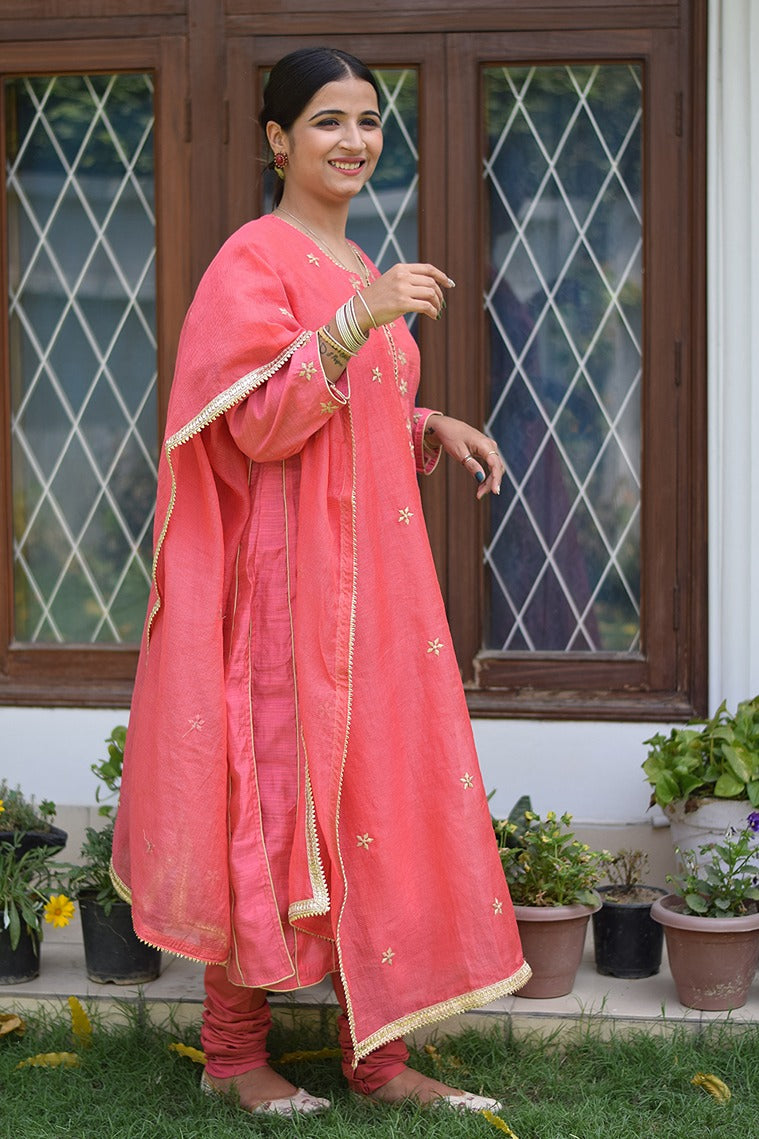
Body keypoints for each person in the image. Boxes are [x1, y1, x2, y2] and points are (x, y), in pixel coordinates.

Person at [111, 46, 529, 1118]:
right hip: (288, 597)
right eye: (329, 120)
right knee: (270, 800)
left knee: (374, 804)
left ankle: (378, 1055)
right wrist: (356, 322)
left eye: (370, 121)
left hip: (373, 595)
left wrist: (430, 423)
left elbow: (354, 418)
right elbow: (255, 424)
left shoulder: (358, 262)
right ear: (277, 140)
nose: (355, 140)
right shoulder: (257, 259)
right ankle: (234, 1051)